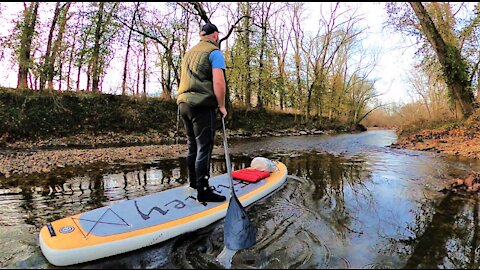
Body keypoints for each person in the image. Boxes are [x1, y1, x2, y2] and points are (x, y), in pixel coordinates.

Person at [177, 22, 227, 203]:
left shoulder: (189, 53)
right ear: (215, 35)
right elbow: (219, 82)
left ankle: (194, 183)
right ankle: (204, 190)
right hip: (202, 105)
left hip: (184, 104)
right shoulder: (214, 52)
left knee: (193, 145)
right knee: (204, 147)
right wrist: (221, 106)